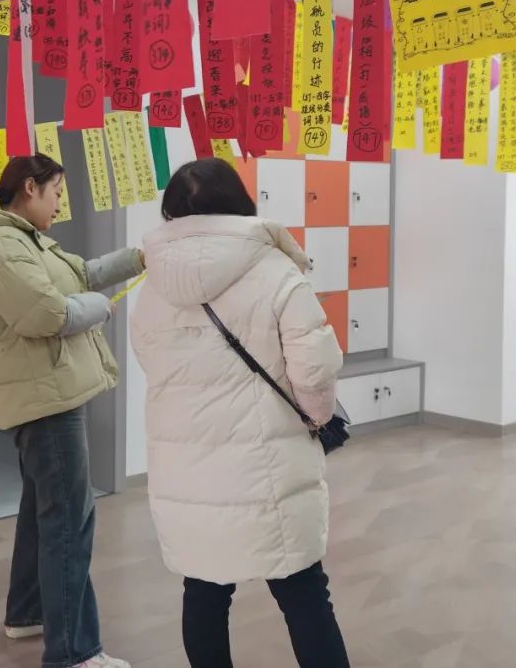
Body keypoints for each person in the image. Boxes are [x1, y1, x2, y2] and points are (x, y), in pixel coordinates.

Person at [130, 158, 350, 668]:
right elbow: (314, 371)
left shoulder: (154, 285)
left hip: (186, 466)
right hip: (267, 465)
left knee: (204, 591)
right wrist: (317, 418)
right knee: (303, 592)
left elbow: (151, 360)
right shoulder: (276, 271)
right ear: (239, 203)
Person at [0, 154, 143, 668]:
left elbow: (84, 274)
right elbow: (46, 314)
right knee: (68, 522)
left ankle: (28, 613)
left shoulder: (23, 239)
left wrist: (141, 257)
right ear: (30, 188)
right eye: (56, 192)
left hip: (45, 391)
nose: (59, 203)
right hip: (46, 400)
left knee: (44, 513)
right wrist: (101, 310)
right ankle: (75, 652)